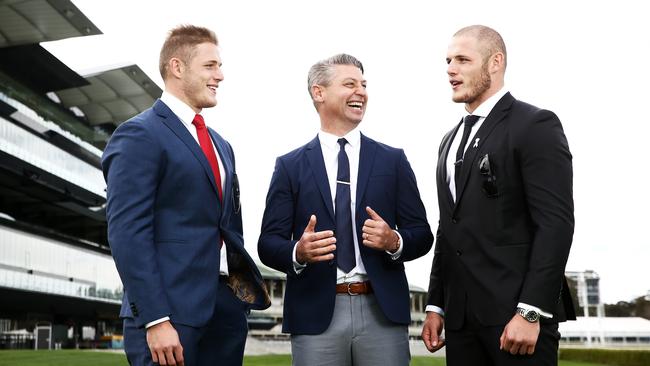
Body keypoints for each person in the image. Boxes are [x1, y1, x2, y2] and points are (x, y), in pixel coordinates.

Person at [102, 25, 270, 366]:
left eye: (219, 66)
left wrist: (238, 301)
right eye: (210, 66)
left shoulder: (223, 146)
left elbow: (228, 228)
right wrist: (155, 318)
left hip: (225, 313)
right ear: (177, 67)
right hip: (170, 316)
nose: (220, 75)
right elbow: (127, 233)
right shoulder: (138, 134)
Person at [258, 53, 433, 366]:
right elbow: (268, 243)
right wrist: (299, 251)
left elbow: (422, 234)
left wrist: (394, 241)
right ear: (319, 92)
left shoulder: (393, 161)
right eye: (350, 84)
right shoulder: (289, 166)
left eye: (364, 85)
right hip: (315, 314)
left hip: (382, 312)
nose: (361, 92)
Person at [421, 25, 576, 365]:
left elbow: (556, 224)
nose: (450, 68)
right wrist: (436, 304)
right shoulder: (447, 141)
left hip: (516, 319)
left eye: (462, 59)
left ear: (495, 62)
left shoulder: (535, 124)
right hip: (461, 324)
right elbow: (449, 229)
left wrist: (531, 311)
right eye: (448, 60)